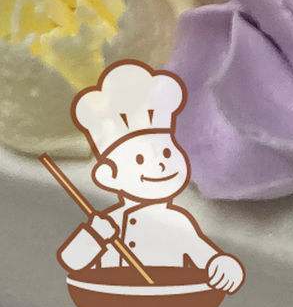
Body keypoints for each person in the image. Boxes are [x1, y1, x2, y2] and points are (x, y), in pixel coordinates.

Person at [57, 60, 244, 293]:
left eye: (166, 154)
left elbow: (207, 258)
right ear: (109, 176)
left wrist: (223, 265)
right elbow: (72, 261)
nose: (161, 165)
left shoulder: (180, 223)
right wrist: (94, 236)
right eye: (139, 160)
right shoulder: (109, 222)